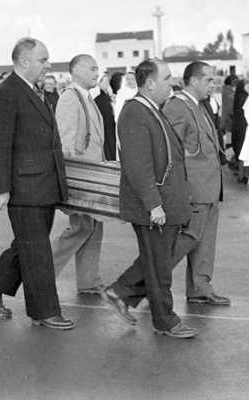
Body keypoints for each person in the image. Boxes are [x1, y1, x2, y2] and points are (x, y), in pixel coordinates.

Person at [0, 38, 74, 330]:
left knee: (29, 245)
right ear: (24, 61)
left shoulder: (31, 90)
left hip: (42, 184)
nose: (48, 65)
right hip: (25, 188)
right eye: (43, 60)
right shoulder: (8, 94)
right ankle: (44, 312)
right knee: (37, 249)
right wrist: (1, 188)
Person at [101, 59, 197, 338]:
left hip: (165, 203)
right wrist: (154, 205)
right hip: (154, 205)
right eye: (166, 78)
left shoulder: (151, 109)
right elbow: (137, 165)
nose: (172, 82)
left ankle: (120, 292)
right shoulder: (135, 112)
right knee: (159, 266)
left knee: (157, 260)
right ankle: (164, 320)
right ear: (150, 82)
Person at [163, 61, 230, 306]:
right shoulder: (178, 107)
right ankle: (147, 283)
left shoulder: (200, 106)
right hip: (194, 189)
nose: (213, 84)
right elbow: (170, 151)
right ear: (193, 80)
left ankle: (200, 288)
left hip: (209, 187)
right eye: (209, 80)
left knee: (204, 241)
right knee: (187, 239)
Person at [51, 54, 106, 295]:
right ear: (77, 71)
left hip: (92, 176)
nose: (97, 73)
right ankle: (43, 275)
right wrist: (70, 183)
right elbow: (65, 143)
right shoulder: (69, 98)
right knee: (81, 227)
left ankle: (88, 280)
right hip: (81, 178)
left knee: (94, 227)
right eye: (92, 69)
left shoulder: (87, 97)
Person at [232, 79, 249, 183]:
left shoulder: (238, 96)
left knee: (241, 149)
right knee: (245, 150)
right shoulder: (245, 98)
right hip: (244, 127)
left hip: (238, 126)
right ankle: (244, 175)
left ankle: (240, 174)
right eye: (248, 87)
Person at [94, 74, 116, 160]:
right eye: (105, 81)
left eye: (108, 81)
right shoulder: (98, 97)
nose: (108, 83)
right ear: (99, 82)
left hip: (109, 127)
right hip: (105, 128)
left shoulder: (106, 95)